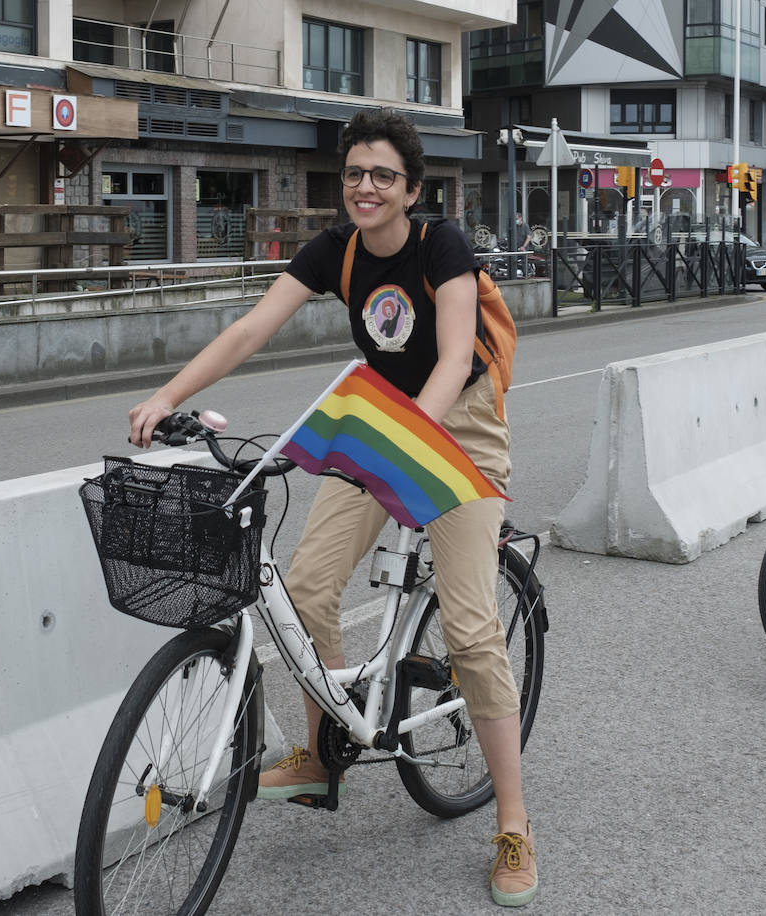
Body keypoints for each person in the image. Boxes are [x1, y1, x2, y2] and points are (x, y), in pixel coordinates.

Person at [128, 108, 538, 907]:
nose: (366, 187)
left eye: (383, 175)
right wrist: (170, 393)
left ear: (412, 189)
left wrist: (414, 438)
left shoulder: (439, 245)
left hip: (460, 426)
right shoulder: (335, 252)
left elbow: (457, 354)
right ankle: (321, 755)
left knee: (470, 627)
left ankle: (515, 824)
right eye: (355, 173)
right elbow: (251, 328)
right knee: (305, 589)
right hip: (385, 418)